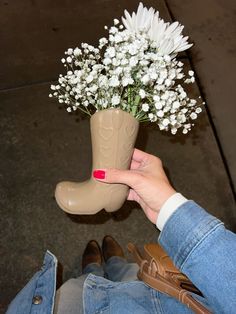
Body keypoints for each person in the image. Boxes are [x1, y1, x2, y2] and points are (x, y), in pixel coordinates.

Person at [6, 149, 236, 314]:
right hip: (160, 300)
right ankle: (115, 264)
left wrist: (171, 207)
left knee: (81, 287)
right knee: (131, 274)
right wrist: (168, 208)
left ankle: (91, 269)